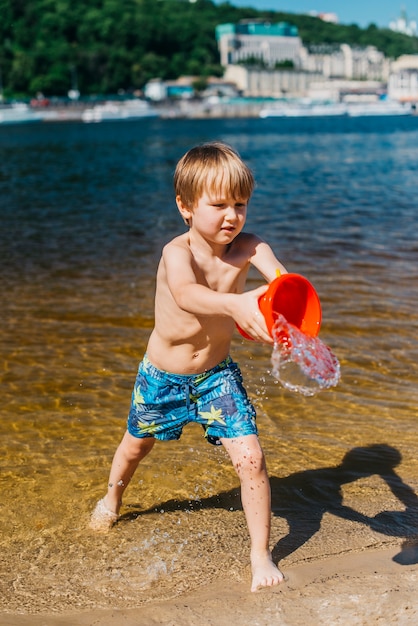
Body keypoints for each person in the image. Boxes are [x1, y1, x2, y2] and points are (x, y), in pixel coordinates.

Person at [90, 141, 287, 592]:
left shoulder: (250, 247)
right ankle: (113, 498)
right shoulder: (176, 253)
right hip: (163, 377)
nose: (231, 216)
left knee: (252, 459)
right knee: (136, 448)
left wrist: (285, 312)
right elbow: (186, 295)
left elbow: (281, 280)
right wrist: (237, 303)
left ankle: (260, 555)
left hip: (217, 376)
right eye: (218, 205)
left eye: (240, 204)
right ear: (185, 206)